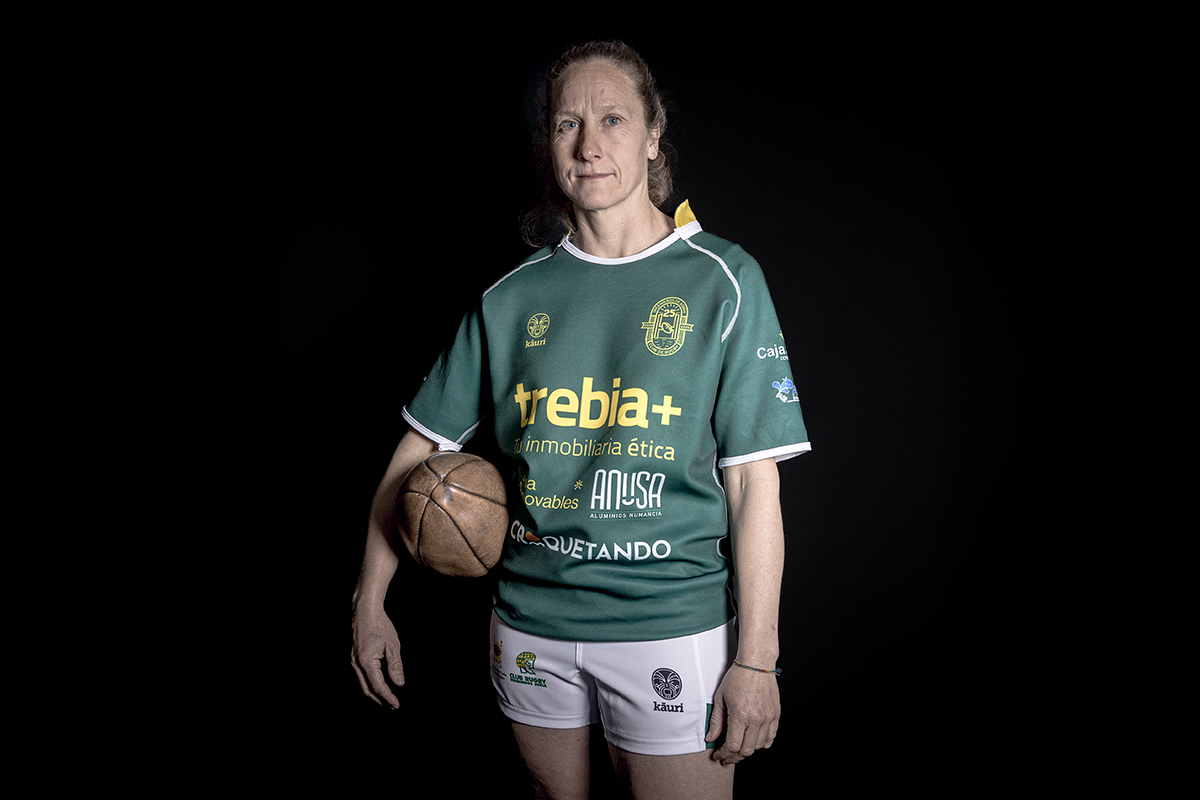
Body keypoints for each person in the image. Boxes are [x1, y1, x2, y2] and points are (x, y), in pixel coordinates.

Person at [351, 41, 811, 799]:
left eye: (613, 120)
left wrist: (757, 657)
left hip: (668, 626)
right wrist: (369, 602)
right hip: (529, 625)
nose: (589, 145)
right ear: (549, 142)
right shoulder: (511, 298)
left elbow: (754, 486)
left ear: (654, 136)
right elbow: (415, 453)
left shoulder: (723, 281)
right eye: (568, 123)